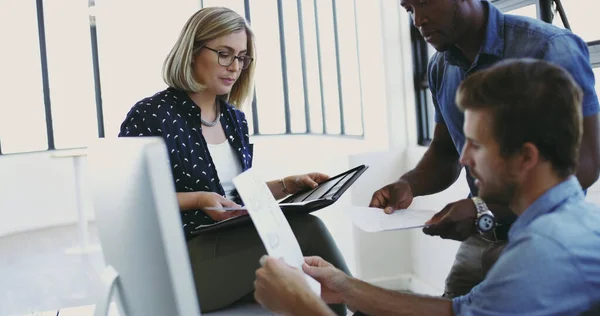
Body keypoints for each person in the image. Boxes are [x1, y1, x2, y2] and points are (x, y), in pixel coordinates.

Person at [253, 59, 600, 316]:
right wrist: (346, 288)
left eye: (476, 145)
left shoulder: (544, 252)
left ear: (525, 157)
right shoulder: (561, 224)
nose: (463, 158)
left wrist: (300, 305)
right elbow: (456, 311)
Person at [118, 7, 349, 314]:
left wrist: (287, 185)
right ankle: (362, 308)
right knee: (308, 230)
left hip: (225, 244)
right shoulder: (151, 115)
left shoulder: (234, 119)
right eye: (224, 54)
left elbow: (236, 199)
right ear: (192, 51)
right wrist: (198, 199)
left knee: (304, 227)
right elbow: (128, 202)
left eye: (241, 57)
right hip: (177, 262)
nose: (234, 67)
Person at [369, 0, 600, 297]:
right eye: (409, 9)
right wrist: (408, 184)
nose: (417, 20)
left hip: (544, 240)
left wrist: (481, 208)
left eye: (424, 2)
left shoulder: (550, 47)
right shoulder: (441, 67)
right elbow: (445, 152)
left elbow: (586, 164)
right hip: (480, 238)